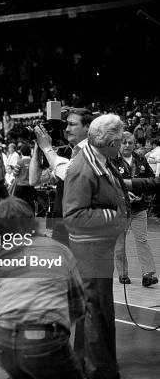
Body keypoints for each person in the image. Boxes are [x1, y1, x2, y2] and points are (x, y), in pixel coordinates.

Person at [0, 197, 85, 379]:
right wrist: (55, 328)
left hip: (1, 342)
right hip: (42, 339)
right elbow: (78, 306)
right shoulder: (59, 251)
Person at [63, 114, 130, 379]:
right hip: (89, 252)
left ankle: (87, 365)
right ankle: (98, 372)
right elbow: (73, 216)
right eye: (121, 141)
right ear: (111, 142)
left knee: (96, 310)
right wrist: (114, 215)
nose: (123, 145)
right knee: (96, 312)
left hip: (97, 251)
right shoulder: (83, 167)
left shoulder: (99, 159)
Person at [30, 108, 95, 246]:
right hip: (61, 224)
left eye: (72, 124)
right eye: (66, 125)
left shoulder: (94, 151)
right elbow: (34, 179)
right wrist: (38, 148)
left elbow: (69, 174)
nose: (66, 129)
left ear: (88, 127)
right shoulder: (67, 152)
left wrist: (47, 148)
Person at [113, 132, 158, 287]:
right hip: (119, 210)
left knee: (142, 240)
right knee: (120, 243)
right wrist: (123, 194)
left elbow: (151, 181)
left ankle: (148, 274)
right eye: (124, 142)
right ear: (119, 143)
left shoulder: (141, 160)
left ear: (134, 144)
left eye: (130, 143)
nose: (127, 145)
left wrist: (143, 194)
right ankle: (123, 274)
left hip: (139, 208)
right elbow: (105, 185)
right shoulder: (110, 161)